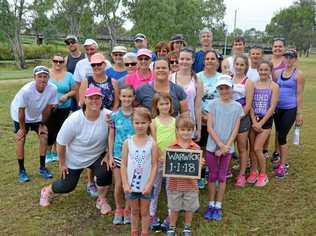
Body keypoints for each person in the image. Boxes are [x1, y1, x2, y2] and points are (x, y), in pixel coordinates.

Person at [39, 87, 113, 215]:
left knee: (105, 172)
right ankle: (47, 191)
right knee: (67, 186)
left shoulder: (108, 116)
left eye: (97, 98)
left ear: (102, 100)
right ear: (84, 100)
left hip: (96, 156)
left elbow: (116, 133)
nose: (94, 101)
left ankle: (101, 199)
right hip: (75, 158)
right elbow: (61, 142)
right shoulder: (74, 119)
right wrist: (62, 164)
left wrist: (108, 154)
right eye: (91, 98)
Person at [203, 76, 243, 221]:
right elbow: (209, 127)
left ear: (231, 88)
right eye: (221, 88)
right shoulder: (212, 104)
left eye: (227, 88)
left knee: (222, 177)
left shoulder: (238, 107)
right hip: (212, 147)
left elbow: (235, 129)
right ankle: (211, 203)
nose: (224, 91)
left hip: (227, 149)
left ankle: (218, 205)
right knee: (212, 176)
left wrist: (226, 147)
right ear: (218, 90)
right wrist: (219, 145)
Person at [10, 66, 57, 182]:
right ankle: (21, 170)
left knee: (44, 135)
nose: (42, 79)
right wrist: (22, 129)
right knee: (21, 138)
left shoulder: (52, 89)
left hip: (37, 115)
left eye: (45, 76)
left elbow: (48, 108)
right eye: (39, 76)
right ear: (34, 77)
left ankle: (42, 167)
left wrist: (42, 123)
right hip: (20, 115)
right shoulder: (26, 91)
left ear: (48, 78)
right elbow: (21, 111)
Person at [121, 107, 158, 236]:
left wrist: (149, 184)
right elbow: (124, 165)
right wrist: (125, 184)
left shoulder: (152, 143)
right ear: (132, 123)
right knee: (134, 211)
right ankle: (134, 231)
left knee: (144, 211)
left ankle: (144, 232)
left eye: (143, 123)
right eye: (137, 122)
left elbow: (154, 165)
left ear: (149, 123)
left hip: (146, 187)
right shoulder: (128, 143)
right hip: (131, 186)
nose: (140, 126)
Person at [166, 114, 201, 236]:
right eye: (183, 130)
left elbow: (198, 168)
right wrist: (164, 159)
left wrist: (200, 164)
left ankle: (187, 226)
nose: (186, 133)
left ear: (193, 131)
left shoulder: (196, 148)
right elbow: (167, 163)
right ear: (177, 130)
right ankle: (172, 226)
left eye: (189, 130)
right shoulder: (171, 148)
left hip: (190, 185)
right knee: (174, 208)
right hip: (174, 184)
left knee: (189, 208)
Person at [248, 61, 279, 187]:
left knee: (257, 148)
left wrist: (260, 123)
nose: (263, 72)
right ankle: (253, 171)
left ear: (270, 71)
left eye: (266, 70)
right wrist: (254, 121)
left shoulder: (274, 86)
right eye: (261, 69)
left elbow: (272, 107)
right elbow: (249, 104)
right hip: (253, 120)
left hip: (265, 121)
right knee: (252, 149)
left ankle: (263, 174)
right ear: (258, 71)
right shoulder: (253, 85)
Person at [273, 49, 304, 178]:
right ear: (283, 58)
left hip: (290, 108)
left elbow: (299, 94)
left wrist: (299, 113)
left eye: (291, 57)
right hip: (278, 108)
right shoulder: (278, 73)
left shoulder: (298, 75)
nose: (288, 60)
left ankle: (283, 165)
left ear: (295, 59)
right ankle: (281, 160)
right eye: (286, 57)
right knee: (279, 133)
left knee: (282, 136)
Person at [108, 85, 136, 225]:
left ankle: (128, 209)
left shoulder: (137, 115)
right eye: (124, 96)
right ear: (119, 97)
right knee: (119, 184)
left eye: (129, 96)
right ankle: (119, 208)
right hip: (118, 155)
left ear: (133, 98)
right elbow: (111, 136)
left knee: (130, 185)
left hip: (134, 156)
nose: (126, 99)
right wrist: (110, 156)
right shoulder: (114, 116)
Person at [149, 93, 176, 231]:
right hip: (158, 160)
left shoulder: (175, 121)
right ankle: (151, 214)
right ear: (156, 106)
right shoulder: (154, 122)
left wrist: (171, 156)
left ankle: (171, 216)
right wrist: (160, 155)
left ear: (171, 104)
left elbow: (178, 141)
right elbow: (153, 140)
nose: (165, 106)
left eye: (167, 103)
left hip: (172, 160)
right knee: (155, 187)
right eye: (161, 104)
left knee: (171, 188)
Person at [196, 49, 222, 188]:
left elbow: (226, 99)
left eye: (213, 59)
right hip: (201, 119)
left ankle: (214, 175)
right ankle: (200, 175)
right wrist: (202, 117)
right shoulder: (197, 77)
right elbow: (195, 99)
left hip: (217, 119)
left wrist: (211, 118)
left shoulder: (223, 78)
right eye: (207, 59)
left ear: (218, 62)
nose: (210, 61)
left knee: (213, 149)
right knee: (201, 148)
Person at [45, 54, 75, 163]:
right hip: (48, 107)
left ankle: (54, 152)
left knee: (59, 129)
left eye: (61, 62)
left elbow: (74, 90)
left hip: (64, 107)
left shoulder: (69, 76)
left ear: (64, 63)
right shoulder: (46, 73)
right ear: (52, 61)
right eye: (55, 61)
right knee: (48, 129)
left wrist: (66, 96)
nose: (58, 63)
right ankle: (47, 153)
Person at [170, 47, 203, 141]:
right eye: (182, 59)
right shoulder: (170, 78)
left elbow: (198, 107)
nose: (184, 61)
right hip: (173, 123)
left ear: (192, 60)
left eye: (188, 59)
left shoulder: (198, 81)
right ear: (178, 59)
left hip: (189, 125)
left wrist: (199, 128)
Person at [231, 55, 254, 187]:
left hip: (242, 117)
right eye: (237, 64)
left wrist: (239, 117)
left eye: (242, 65)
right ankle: (227, 171)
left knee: (241, 146)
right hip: (229, 117)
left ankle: (241, 175)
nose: (239, 67)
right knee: (229, 146)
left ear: (246, 66)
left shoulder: (248, 82)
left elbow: (248, 104)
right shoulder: (229, 79)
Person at [73, 39, 111, 104]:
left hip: (104, 101)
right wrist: (79, 102)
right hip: (86, 102)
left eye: (92, 49)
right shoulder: (80, 64)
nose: (89, 52)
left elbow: (111, 83)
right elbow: (77, 86)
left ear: (97, 50)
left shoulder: (106, 63)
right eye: (87, 50)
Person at [64, 35, 85, 112]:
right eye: (68, 43)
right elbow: (65, 76)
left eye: (72, 42)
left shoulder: (85, 57)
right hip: (72, 93)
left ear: (77, 43)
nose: (70, 44)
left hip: (84, 91)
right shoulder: (66, 59)